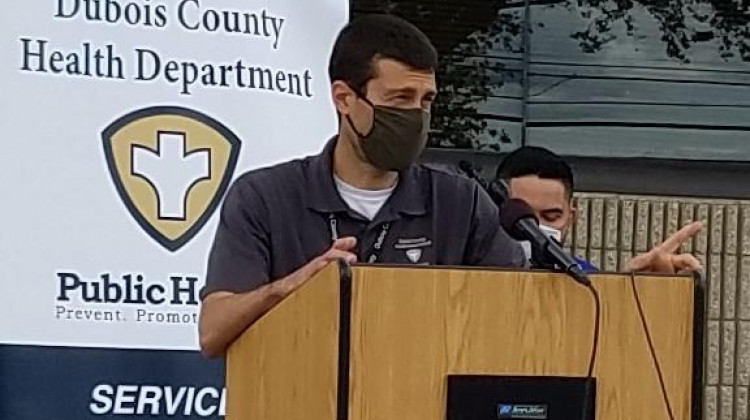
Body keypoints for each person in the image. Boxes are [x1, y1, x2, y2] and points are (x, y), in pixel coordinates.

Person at [198, 15, 526, 358]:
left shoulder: (463, 202)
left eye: (426, 100)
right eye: (400, 98)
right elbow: (213, 331)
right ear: (344, 99)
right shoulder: (263, 197)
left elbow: (518, 314)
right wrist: (290, 289)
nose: (417, 115)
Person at [496, 146, 703, 273]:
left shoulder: (587, 279)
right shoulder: (469, 273)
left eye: (551, 216)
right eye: (523, 217)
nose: (537, 227)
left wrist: (624, 289)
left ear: (571, 217)